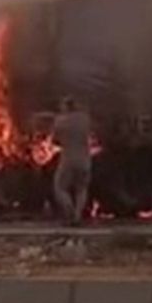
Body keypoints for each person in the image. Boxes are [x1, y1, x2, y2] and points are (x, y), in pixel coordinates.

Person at [51, 96, 92, 226]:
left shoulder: (60, 121)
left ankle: (69, 211)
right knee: (81, 188)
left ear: (65, 106)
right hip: (85, 159)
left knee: (60, 187)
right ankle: (78, 215)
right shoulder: (85, 119)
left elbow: (55, 141)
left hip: (68, 159)